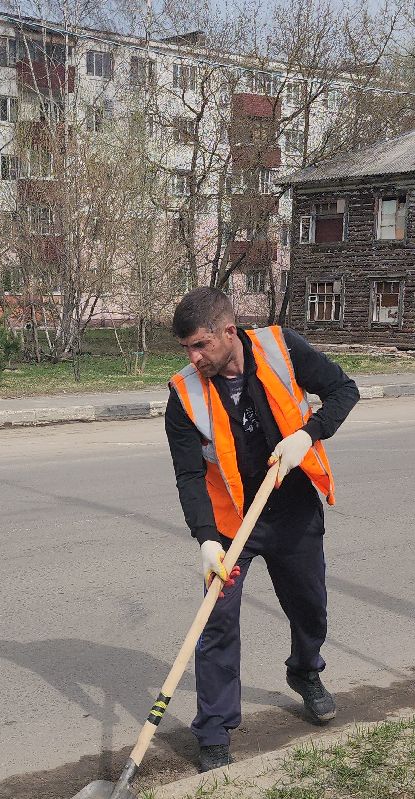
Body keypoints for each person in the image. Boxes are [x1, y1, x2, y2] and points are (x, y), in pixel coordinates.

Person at [163, 287, 359, 772]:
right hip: (231, 521)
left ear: (229, 332)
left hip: (291, 507)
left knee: (309, 606)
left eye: (200, 345)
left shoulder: (281, 348)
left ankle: (305, 672)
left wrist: (306, 435)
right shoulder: (184, 394)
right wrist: (206, 538)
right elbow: (189, 474)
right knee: (217, 620)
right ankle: (213, 729)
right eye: (186, 348)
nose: (194, 357)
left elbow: (344, 390)